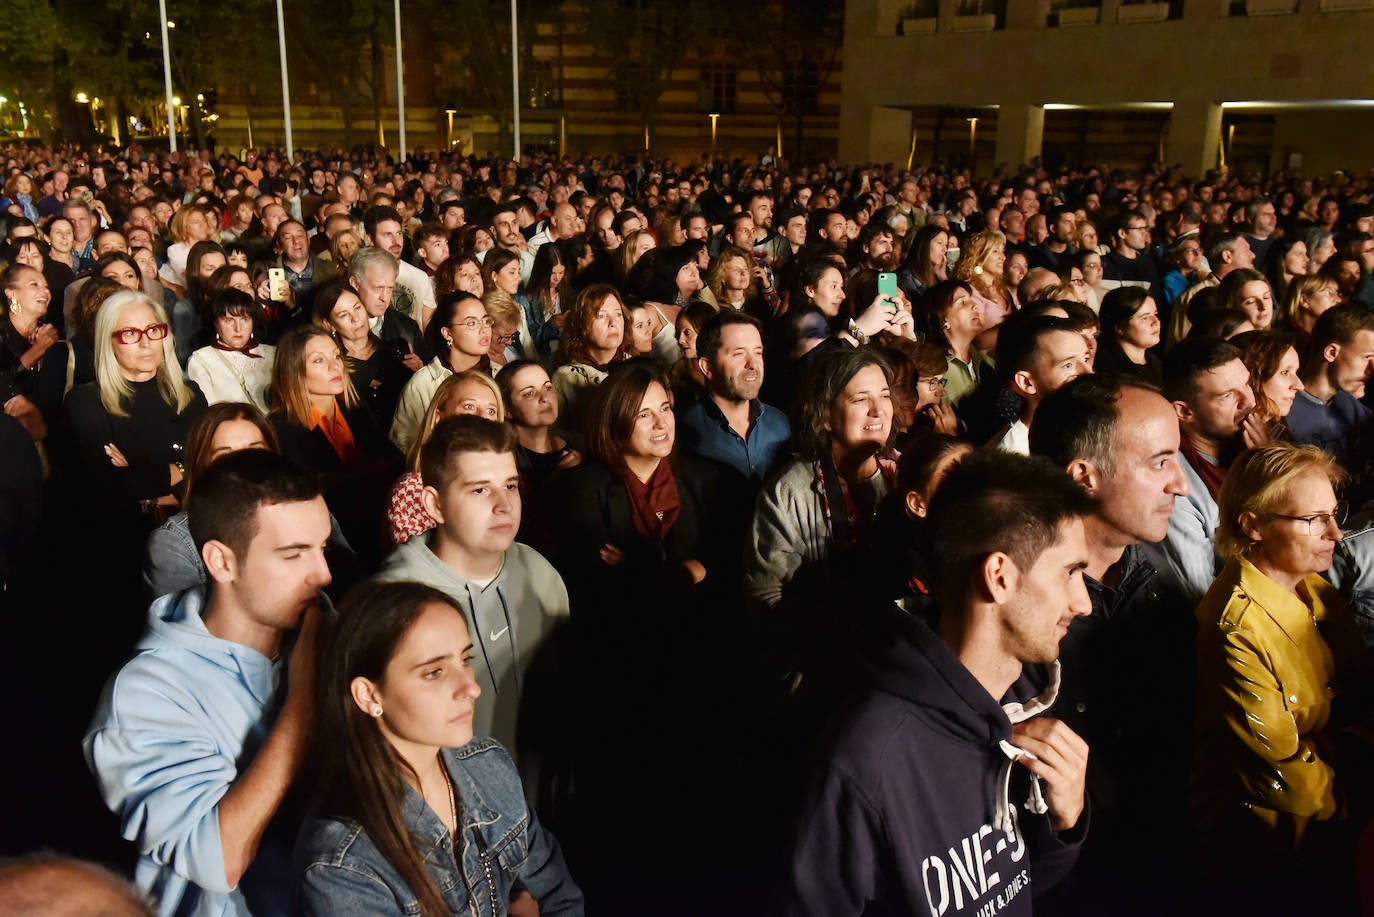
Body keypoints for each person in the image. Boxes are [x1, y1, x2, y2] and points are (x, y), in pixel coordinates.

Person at [784, 449, 1091, 916]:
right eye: (1070, 572)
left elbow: (1011, 892)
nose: (1083, 603)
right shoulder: (862, 763)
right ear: (1000, 577)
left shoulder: (1027, 699)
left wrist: (1064, 825)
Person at [84, 450, 330, 917]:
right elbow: (217, 860)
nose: (323, 573)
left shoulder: (320, 636)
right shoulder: (145, 694)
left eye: (322, 548)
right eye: (294, 554)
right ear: (221, 561)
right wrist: (304, 701)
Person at [296, 579, 583, 916]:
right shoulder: (344, 864)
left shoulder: (487, 763)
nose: (471, 688)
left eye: (465, 659)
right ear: (369, 695)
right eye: (434, 672)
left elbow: (560, 894)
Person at [1028, 374, 1197, 914]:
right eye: (1160, 462)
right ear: (1084, 476)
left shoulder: (1154, 572)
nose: (1181, 485)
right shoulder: (1019, 610)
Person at [1192, 444, 1369, 897]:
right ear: (1252, 525)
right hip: (1280, 847)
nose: (1336, 533)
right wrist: (1358, 803)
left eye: (1335, 514)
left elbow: (1358, 693)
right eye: (1313, 520)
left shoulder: (1316, 589)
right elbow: (1281, 773)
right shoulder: (1235, 628)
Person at [745, 346, 898, 727]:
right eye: (860, 400)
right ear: (826, 415)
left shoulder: (905, 477)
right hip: (821, 682)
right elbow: (765, 595)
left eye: (884, 396)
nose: (878, 411)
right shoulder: (789, 492)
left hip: (898, 672)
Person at [65, 290, 207, 523]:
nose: (145, 343)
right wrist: (183, 468)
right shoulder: (86, 401)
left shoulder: (190, 394)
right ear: (108, 341)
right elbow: (108, 486)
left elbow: (211, 469)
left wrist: (143, 479)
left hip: (194, 525)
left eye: (153, 330)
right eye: (130, 333)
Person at [268, 325, 403, 568]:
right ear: (293, 372)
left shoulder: (352, 406)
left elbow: (391, 457)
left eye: (336, 356)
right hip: (334, 542)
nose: (335, 366)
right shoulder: (280, 428)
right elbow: (309, 493)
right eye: (319, 360)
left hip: (380, 518)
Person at [1143, 336, 1258, 603]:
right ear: (1185, 412)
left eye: (1247, 384)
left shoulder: (1247, 446)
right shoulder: (1175, 490)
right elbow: (1203, 597)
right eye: (1228, 395)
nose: (1249, 401)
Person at [385, 370, 504, 546]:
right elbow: (418, 561)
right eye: (469, 406)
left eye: (491, 410)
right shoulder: (414, 489)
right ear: (438, 418)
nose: (483, 417)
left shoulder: (507, 482)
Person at [389, 291, 493, 455]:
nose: (484, 329)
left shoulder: (499, 374)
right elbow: (404, 445)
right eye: (472, 323)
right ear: (447, 333)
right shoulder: (423, 383)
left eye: (486, 321)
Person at [1285, 304, 1374, 483]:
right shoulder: (1287, 408)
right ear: (1332, 352)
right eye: (1367, 357)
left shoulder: (1347, 402)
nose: (1371, 368)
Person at [314, 282, 411, 429]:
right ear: (330, 324)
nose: (355, 318)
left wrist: (420, 373)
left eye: (357, 308)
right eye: (344, 314)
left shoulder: (396, 349)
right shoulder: (333, 368)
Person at [551, 284, 629, 431]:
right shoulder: (565, 377)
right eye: (601, 316)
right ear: (582, 324)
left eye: (618, 314)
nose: (613, 323)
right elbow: (554, 433)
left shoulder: (634, 366)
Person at [184, 290, 276, 413]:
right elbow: (207, 413)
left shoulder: (272, 354)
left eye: (244, 319)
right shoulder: (201, 360)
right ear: (216, 323)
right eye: (229, 320)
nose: (238, 328)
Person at [916, 279, 990, 407]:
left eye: (972, 299)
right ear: (943, 319)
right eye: (963, 302)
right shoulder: (933, 369)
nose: (975, 305)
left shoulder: (985, 362)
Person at [1233, 329, 1305, 442]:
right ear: (1253, 377)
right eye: (1285, 372)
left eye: (1296, 372)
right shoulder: (1226, 444)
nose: (1300, 386)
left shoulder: (1283, 436)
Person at [1093, 287, 1164, 385]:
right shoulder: (1107, 372)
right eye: (1145, 318)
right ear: (1119, 327)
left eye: (1155, 314)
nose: (1156, 322)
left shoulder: (1157, 364)